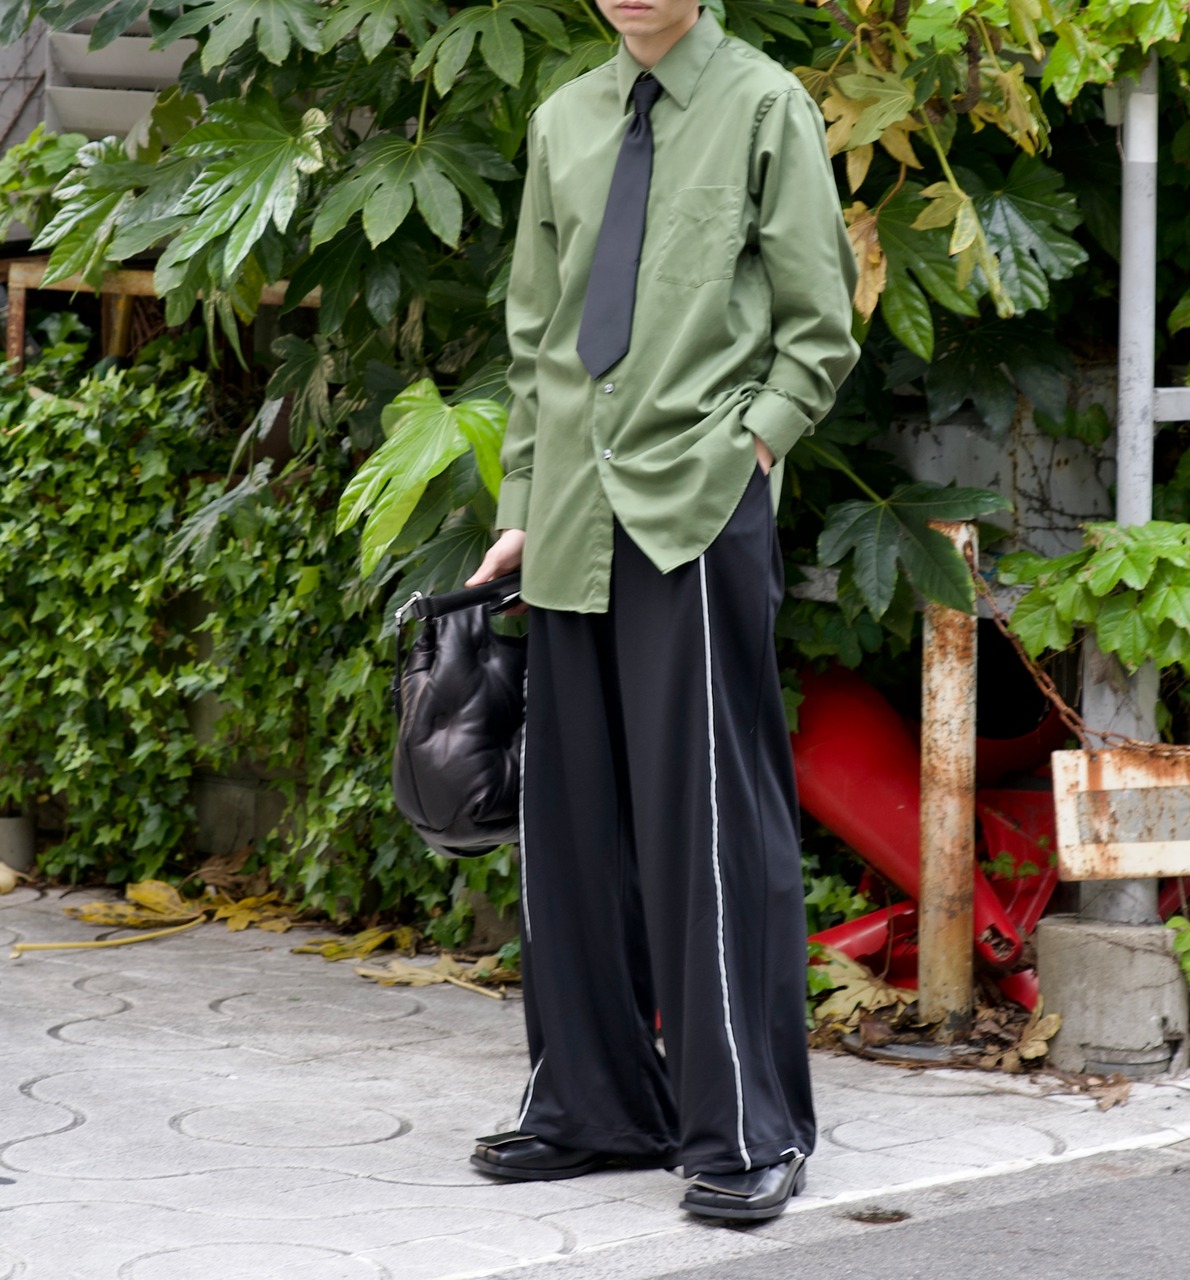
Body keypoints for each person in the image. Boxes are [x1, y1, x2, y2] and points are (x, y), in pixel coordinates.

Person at [465, 0, 858, 1222]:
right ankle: (594, 1106)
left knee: (709, 821)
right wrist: (520, 502)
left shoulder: (763, 104)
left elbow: (818, 326)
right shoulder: (563, 118)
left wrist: (751, 448)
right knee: (569, 822)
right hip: (568, 513)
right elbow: (537, 336)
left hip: (693, 505)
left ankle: (746, 1127)